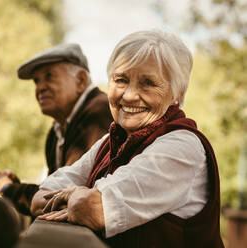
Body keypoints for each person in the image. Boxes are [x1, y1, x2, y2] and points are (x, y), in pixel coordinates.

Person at [31, 30, 225, 248]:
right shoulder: (109, 141)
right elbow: (39, 199)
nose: (130, 95)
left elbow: (94, 208)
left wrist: (82, 196)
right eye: (121, 80)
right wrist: (78, 197)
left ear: (177, 94)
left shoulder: (182, 146)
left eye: (148, 83)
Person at [0, 43, 113, 216]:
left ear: (80, 80)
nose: (40, 88)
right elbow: (50, 195)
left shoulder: (98, 114)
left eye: (49, 76)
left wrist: (7, 189)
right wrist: (15, 189)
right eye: (36, 81)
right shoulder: (55, 133)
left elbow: (64, 197)